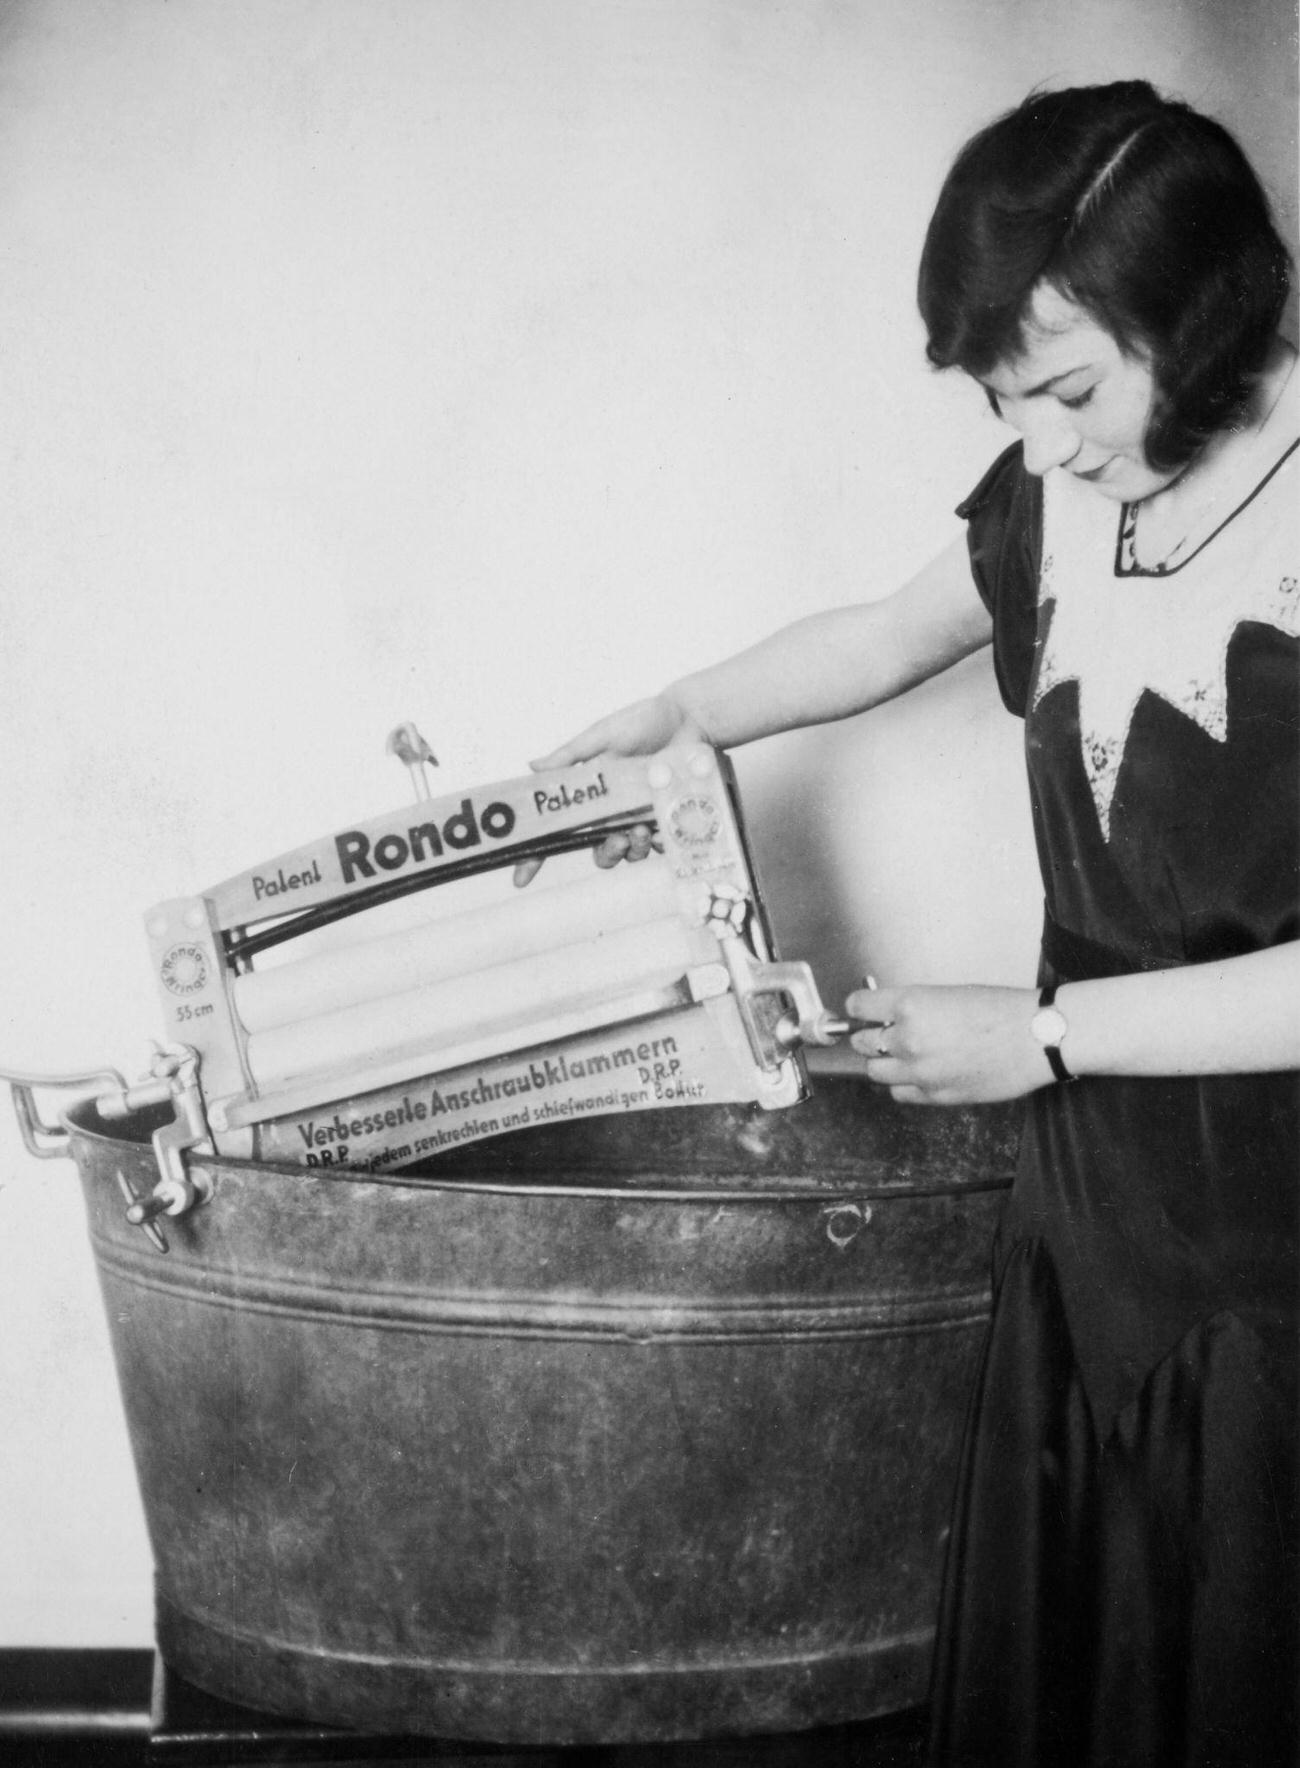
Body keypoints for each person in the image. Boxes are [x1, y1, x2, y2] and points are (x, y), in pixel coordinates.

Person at [519, 81, 1299, 1765]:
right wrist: (684, 712)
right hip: (1091, 1208)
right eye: (1012, 404)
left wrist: (1038, 1038)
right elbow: (882, 637)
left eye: (1071, 389)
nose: (1044, 446)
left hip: (1275, 1254)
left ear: (1208, 306)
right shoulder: (1060, 498)